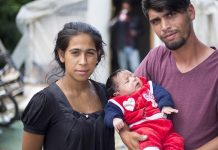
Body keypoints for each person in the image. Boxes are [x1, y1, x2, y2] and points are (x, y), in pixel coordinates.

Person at [21, 22, 141, 150]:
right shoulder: (44, 102)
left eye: (90, 53)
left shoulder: (108, 95)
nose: (83, 61)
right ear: (62, 55)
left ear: (97, 55)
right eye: (75, 53)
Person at [133, 0, 218, 149]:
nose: (164, 27)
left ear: (190, 12)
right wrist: (127, 134)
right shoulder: (156, 58)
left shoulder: (215, 67)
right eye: (156, 21)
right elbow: (125, 98)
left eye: (171, 14)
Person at [104, 69, 184, 150]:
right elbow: (109, 112)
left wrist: (165, 106)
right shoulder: (118, 101)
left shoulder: (149, 87)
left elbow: (162, 94)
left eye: (133, 75)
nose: (134, 78)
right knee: (147, 138)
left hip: (165, 127)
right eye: (127, 81)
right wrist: (115, 119)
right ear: (118, 93)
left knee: (176, 140)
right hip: (143, 127)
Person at [110, 0, 142, 72]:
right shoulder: (119, 18)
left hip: (133, 47)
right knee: (123, 69)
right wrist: (118, 17)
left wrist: (136, 32)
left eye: (127, 7)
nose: (125, 8)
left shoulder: (135, 18)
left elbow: (142, 31)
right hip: (121, 47)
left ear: (130, 8)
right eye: (124, 7)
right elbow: (111, 27)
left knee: (136, 68)